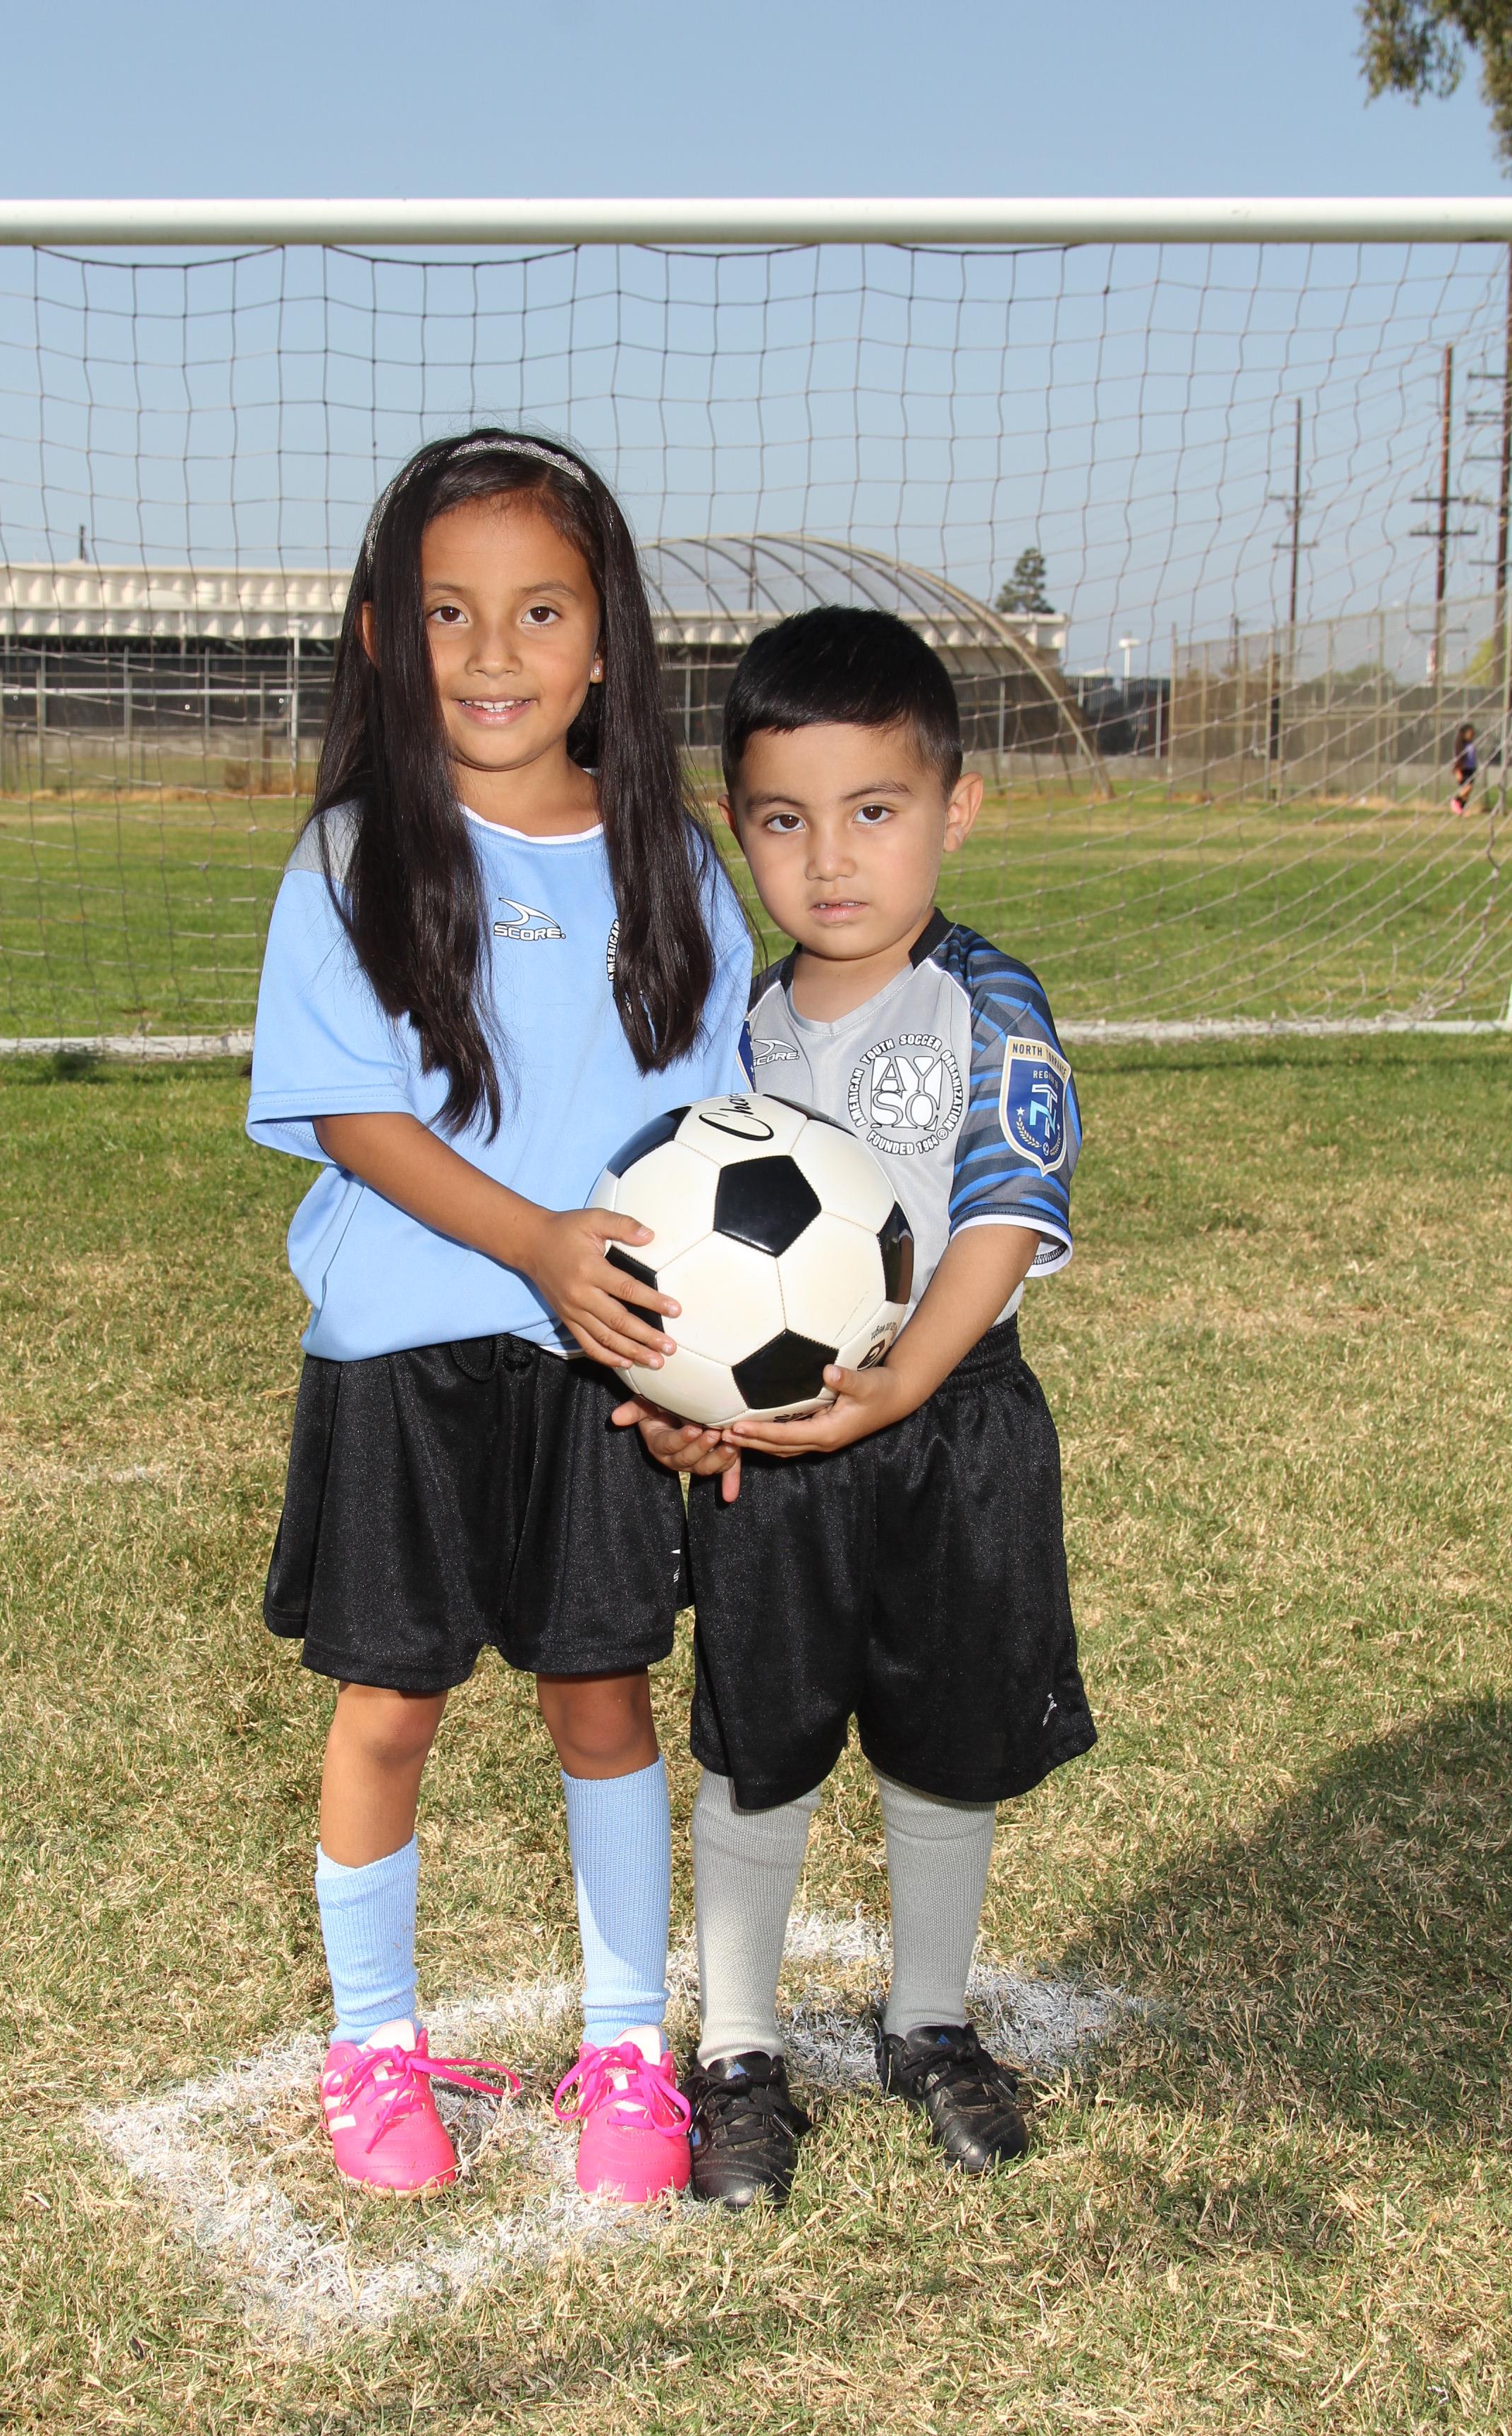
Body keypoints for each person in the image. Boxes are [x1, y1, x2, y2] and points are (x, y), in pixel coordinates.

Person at [245, 429, 752, 2201]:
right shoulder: (352, 858)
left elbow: (718, 1150)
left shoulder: (675, 865)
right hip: (402, 1358)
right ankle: (373, 2043)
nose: (492, 651)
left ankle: (625, 2046)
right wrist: (535, 1240)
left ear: (606, 641)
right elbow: (354, 1117)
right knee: (389, 1707)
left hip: (600, 1364)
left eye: (541, 610)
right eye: (448, 610)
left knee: (601, 1700)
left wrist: (704, 1370)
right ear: (384, 636)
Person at [616, 606, 1096, 2206]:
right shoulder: (730, 1030)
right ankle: (738, 2047)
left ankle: (930, 2019)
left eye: (872, 810)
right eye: (782, 820)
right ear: (737, 826)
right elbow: (673, 1256)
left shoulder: (990, 1001)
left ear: (955, 810)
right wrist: (681, 1403)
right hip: (776, 1442)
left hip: (953, 1420)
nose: (828, 859)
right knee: (759, 1734)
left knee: (945, 1734)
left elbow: (1005, 1211)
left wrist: (905, 1377)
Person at [1451, 722, 1478, 816]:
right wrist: (1458, 771)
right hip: (1463, 770)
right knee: (1468, 787)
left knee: (1467, 793)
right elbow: (1458, 759)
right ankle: (1455, 800)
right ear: (1464, 734)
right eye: (1470, 734)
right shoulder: (1460, 745)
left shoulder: (1471, 744)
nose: (1472, 736)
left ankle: (1461, 810)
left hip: (1471, 769)